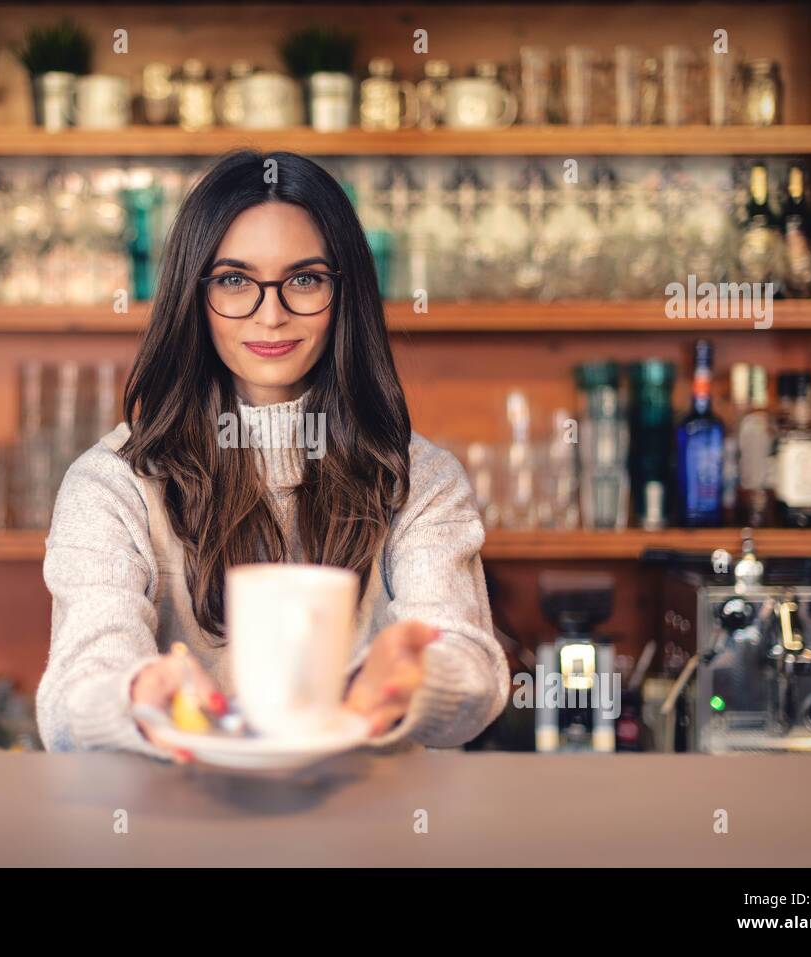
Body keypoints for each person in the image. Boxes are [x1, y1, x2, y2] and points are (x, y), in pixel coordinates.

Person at [36, 150, 508, 760]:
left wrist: (417, 677)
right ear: (193, 294)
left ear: (346, 293)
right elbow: (70, 699)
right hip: (176, 834)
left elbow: (473, 673)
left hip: (373, 840)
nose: (271, 312)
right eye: (234, 279)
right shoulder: (112, 484)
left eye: (305, 279)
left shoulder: (419, 479)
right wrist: (134, 694)